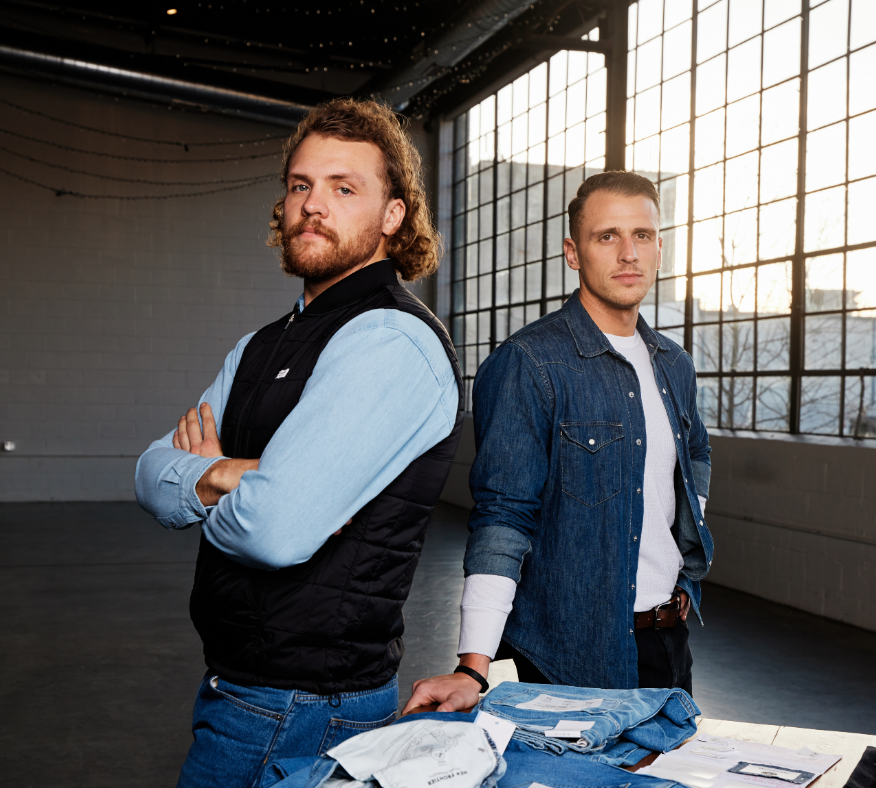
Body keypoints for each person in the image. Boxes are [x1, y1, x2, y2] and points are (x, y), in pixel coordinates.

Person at [135, 98, 462, 787]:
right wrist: (237, 476)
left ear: (393, 216)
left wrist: (213, 475)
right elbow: (148, 473)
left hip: (305, 707)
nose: (315, 204)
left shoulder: (389, 340)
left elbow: (276, 531)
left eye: (345, 188)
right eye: (300, 185)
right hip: (241, 690)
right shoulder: (260, 346)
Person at [405, 171, 713, 714]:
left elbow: (694, 461)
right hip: (569, 656)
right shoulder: (529, 363)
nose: (627, 253)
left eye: (642, 235)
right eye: (606, 236)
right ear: (573, 252)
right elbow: (503, 516)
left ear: (660, 248)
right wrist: (472, 668)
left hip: (666, 644)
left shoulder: (676, 366)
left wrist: (684, 572)